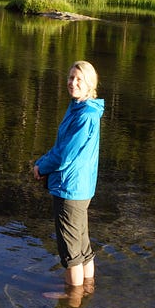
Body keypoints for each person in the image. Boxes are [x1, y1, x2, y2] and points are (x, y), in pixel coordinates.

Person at [33, 60, 103, 294]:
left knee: (71, 253)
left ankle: (71, 301)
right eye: (70, 77)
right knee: (82, 246)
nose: (72, 83)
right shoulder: (82, 108)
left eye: (78, 79)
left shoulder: (84, 115)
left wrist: (41, 168)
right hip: (80, 188)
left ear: (90, 84)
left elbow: (65, 156)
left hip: (71, 189)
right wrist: (44, 161)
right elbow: (62, 147)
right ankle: (86, 289)